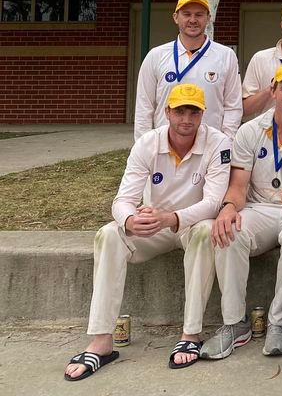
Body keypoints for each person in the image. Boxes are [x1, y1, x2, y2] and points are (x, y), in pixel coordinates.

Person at [65, 84, 231, 381]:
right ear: (167, 112)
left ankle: (190, 334)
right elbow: (122, 200)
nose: (186, 119)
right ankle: (102, 340)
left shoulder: (218, 143)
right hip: (154, 225)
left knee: (206, 231)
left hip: (191, 224)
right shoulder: (147, 143)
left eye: (193, 112)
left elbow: (214, 202)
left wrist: (172, 218)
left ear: (202, 114)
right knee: (109, 234)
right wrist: (130, 220)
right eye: (180, 111)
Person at [201, 63, 282, 361]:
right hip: (258, 208)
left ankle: (278, 322)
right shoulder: (250, 130)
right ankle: (234, 323)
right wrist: (227, 208)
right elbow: (238, 185)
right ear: (273, 91)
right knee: (229, 231)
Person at [135, 0, 242, 140]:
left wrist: (226, 142)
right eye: (186, 14)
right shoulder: (156, 56)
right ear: (175, 17)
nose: (193, 20)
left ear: (208, 18)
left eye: (199, 15)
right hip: (166, 145)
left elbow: (233, 106)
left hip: (210, 145)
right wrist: (144, 145)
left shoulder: (226, 55)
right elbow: (144, 106)